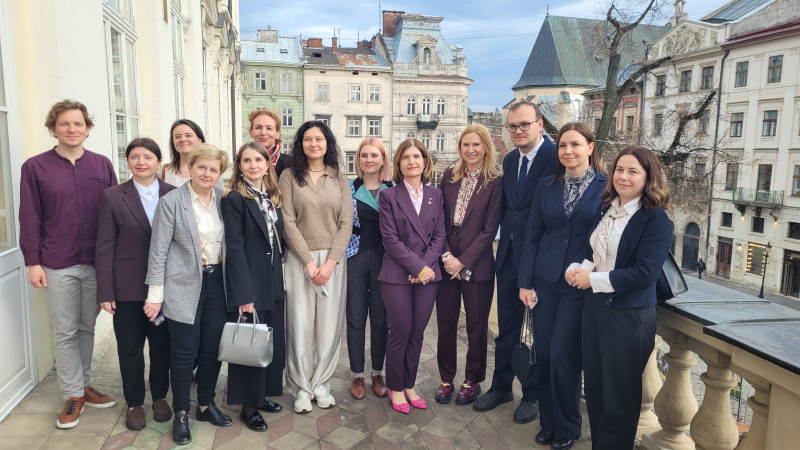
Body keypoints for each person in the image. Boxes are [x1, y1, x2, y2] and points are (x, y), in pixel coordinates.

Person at [20, 100, 118, 429]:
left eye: (78, 124)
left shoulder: (103, 165)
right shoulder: (35, 167)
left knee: (86, 327)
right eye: (65, 124)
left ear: (88, 129)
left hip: (95, 261)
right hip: (56, 262)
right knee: (64, 331)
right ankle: (72, 394)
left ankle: (83, 385)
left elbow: (115, 213)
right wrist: (33, 262)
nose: (72, 129)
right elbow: (29, 217)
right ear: (53, 129)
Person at [565, 146, 672, 449]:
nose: (623, 176)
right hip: (596, 307)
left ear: (648, 177)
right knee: (596, 390)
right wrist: (577, 270)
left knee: (620, 398)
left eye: (633, 171)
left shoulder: (655, 219)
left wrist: (592, 279)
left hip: (629, 316)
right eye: (619, 170)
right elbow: (595, 253)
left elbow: (643, 275)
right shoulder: (607, 208)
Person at [517, 123, 607, 450]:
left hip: (579, 284)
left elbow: (608, 239)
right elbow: (532, 236)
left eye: (575, 145)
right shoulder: (547, 185)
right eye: (563, 146)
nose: (568, 151)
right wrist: (524, 282)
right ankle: (549, 422)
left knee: (564, 355)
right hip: (544, 281)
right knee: (545, 354)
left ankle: (568, 425)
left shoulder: (606, 187)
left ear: (590, 147)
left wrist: (589, 271)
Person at [474, 100, 556, 423]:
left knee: (535, 332)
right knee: (507, 326)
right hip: (507, 256)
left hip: (539, 261)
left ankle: (533, 394)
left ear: (539, 124)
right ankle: (502, 386)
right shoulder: (509, 159)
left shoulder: (555, 158)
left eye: (524, 124)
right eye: (512, 126)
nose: (518, 131)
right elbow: (509, 208)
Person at [145, 144, 231, 445]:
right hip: (182, 287)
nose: (207, 173)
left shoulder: (224, 199)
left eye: (213, 169)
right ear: (191, 168)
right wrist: (155, 296)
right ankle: (181, 412)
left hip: (218, 285)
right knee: (183, 353)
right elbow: (157, 253)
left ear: (220, 173)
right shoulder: (172, 202)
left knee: (211, 350)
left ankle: (206, 404)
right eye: (202, 167)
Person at [96, 138, 175, 431]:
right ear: (127, 162)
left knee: (161, 347)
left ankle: (159, 398)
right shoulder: (113, 196)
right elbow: (104, 245)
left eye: (148, 157)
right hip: (127, 289)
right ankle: (134, 403)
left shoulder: (173, 193)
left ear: (158, 161)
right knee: (130, 348)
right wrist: (105, 290)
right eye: (134, 157)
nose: (141, 162)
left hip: (165, 288)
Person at [279, 121, 353, 414]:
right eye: (307, 139)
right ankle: (300, 387)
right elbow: (287, 222)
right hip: (300, 260)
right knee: (299, 324)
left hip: (333, 261)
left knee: (329, 325)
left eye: (318, 139)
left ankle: (321, 383)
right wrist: (310, 263)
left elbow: (346, 222)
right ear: (300, 144)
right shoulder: (288, 176)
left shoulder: (339, 177)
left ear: (327, 143)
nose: (313, 144)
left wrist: (331, 262)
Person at [435, 125, 503, 406]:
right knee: (446, 323)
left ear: (486, 147)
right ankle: (446, 377)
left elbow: (490, 229)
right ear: (460, 148)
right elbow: (438, 219)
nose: (471, 150)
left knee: (476, 325)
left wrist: (463, 261)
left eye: (476, 145)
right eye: (466, 145)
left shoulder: (495, 182)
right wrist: (448, 257)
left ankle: (472, 379)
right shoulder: (450, 176)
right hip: (447, 262)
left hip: (478, 266)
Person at [221, 142, 286, 431]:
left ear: (267, 163)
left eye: (258, 159)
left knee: (269, 341)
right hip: (250, 282)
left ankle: (260, 397)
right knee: (249, 342)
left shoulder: (271, 196)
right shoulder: (234, 198)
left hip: (272, 280)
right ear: (239, 166)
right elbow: (234, 249)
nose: (253, 165)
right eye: (246, 160)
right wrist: (243, 294)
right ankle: (248, 407)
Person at [378, 139, 446, 414]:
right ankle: (395, 386)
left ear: (425, 161)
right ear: (399, 164)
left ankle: (409, 384)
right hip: (397, 273)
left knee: (417, 333)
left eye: (416, 156)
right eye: (405, 157)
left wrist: (424, 269)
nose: (411, 161)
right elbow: (391, 240)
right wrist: (416, 268)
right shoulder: (389, 196)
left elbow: (440, 235)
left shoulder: (436, 195)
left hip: (428, 275)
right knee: (401, 331)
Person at [345, 138, 393, 400]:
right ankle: (357, 376)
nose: (369, 159)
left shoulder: (393, 190)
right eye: (364, 155)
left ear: (383, 159)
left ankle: (377, 372)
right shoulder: (349, 190)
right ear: (358, 160)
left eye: (375, 155)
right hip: (355, 255)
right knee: (354, 318)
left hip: (385, 258)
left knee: (380, 319)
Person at [161, 119, 224, 189]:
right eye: (177, 136)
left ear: (200, 141)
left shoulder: (212, 170)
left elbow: (220, 197)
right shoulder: (163, 170)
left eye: (188, 135)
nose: (182, 139)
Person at [248, 109, 288, 177]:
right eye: (258, 128)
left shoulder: (291, 163)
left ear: (277, 134)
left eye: (269, 128)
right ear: (250, 132)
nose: (263, 133)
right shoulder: (243, 161)